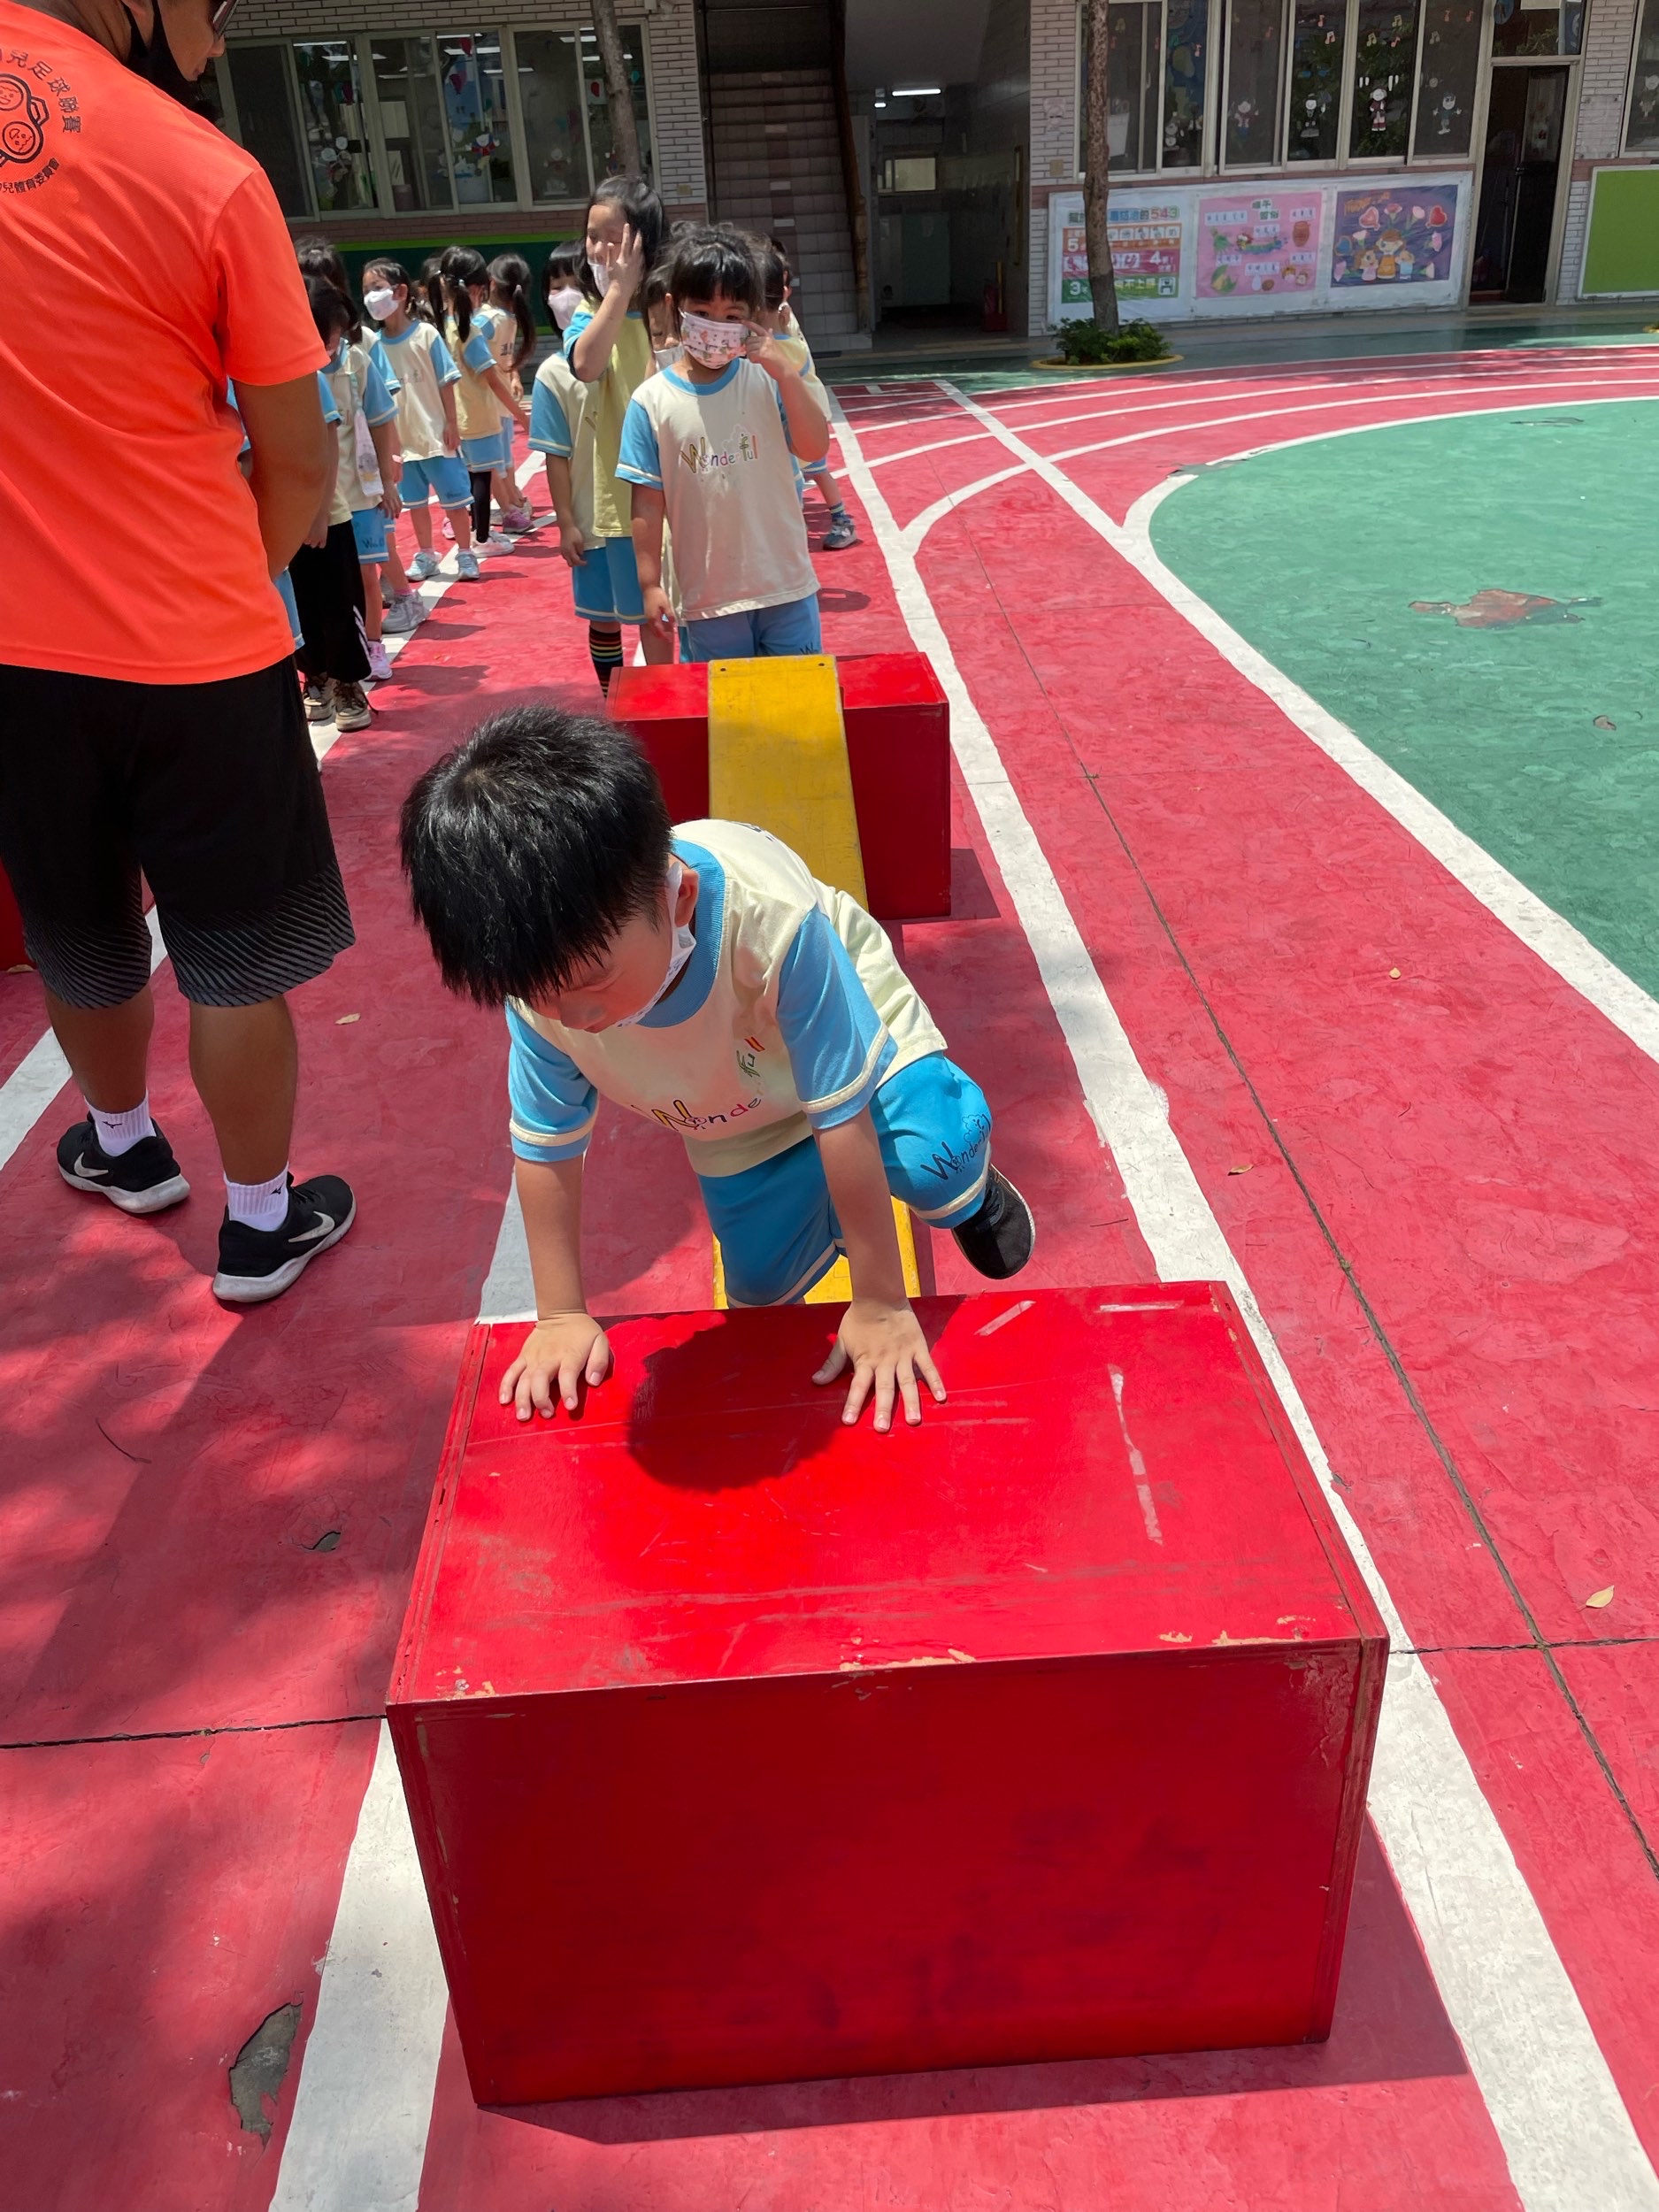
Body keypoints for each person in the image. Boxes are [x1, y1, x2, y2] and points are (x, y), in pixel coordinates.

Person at [0, 0, 355, 1302]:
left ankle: (123, 1143)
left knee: (76, 921)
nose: (212, 43)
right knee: (235, 960)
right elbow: (300, 459)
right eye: (214, 13)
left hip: (17, 655)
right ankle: (259, 1221)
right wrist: (212, 589)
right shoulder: (200, 166)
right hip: (198, 644)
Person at [399, 708, 1033, 1433]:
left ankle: (969, 1193)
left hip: (834, 1042)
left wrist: (882, 1301)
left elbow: (841, 1107)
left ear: (678, 902)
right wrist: (561, 1314)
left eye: (594, 984)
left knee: (930, 1157)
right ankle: (817, 1208)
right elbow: (546, 1147)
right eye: (540, 995)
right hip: (727, 1106)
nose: (572, 1016)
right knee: (760, 1289)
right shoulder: (543, 986)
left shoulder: (772, 927)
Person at [618, 227, 829, 663]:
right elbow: (647, 505)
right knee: (725, 705)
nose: (716, 328)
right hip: (710, 602)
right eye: (702, 312)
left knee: (798, 701)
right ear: (674, 308)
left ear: (753, 315)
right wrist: (650, 584)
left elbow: (814, 447)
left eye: (732, 316)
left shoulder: (768, 381)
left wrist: (786, 375)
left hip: (786, 587)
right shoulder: (651, 403)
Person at [565, 174, 674, 666]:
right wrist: (618, 291)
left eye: (614, 238)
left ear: (644, 241)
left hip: (685, 484)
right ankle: (652, 701)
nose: (600, 249)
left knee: (686, 614)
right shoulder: (590, 310)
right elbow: (586, 365)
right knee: (645, 613)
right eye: (593, 237)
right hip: (625, 493)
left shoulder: (671, 305)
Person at [297, 239, 416, 672]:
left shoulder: (358, 357)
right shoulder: (290, 365)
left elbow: (382, 419)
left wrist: (387, 478)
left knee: (367, 572)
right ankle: (323, 667)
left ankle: (372, 645)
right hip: (314, 500)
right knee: (321, 584)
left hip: (358, 492)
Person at [288, 277, 374, 732]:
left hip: (328, 517)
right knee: (301, 604)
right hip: (283, 519)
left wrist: (320, 514)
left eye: (336, 339)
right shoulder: (261, 374)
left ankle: (347, 683)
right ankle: (315, 677)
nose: (333, 347)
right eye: (331, 337)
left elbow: (328, 447)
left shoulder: (314, 379)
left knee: (339, 603)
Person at [361, 259, 479, 582]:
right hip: (402, 442)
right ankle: (427, 554)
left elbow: (446, 381)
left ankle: (466, 552)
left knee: (455, 501)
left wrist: (451, 424)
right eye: (366, 290)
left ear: (400, 292)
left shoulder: (426, 334)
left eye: (377, 288)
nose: (371, 296)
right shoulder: (373, 344)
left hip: (435, 436)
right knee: (416, 504)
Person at [531, 249, 609, 692]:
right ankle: (612, 700)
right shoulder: (551, 374)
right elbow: (555, 455)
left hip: (648, 514)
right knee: (604, 618)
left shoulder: (625, 351)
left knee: (658, 613)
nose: (565, 296)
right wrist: (566, 522)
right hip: (591, 516)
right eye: (556, 287)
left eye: (575, 285)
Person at [753, 237, 857, 550]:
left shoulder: (781, 341)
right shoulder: (771, 332)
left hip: (803, 417)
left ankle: (841, 519)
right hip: (783, 424)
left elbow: (787, 366)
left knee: (815, 471)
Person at [430, 246, 527, 555]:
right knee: (481, 479)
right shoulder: (468, 332)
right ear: (477, 290)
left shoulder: (441, 326)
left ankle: (473, 533)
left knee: (469, 477)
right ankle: (482, 538)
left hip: (455, 416)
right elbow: (494, 381)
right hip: (478, 416)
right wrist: (522, 417)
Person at [488, 251, 538, 534]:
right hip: (502, 404)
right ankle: (514, 501)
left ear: (492, 283)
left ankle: (509, 508)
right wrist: (515, 376)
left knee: (489, 463)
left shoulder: (485, 321)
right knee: (503, 461)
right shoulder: (510, 318)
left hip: (488, 405)